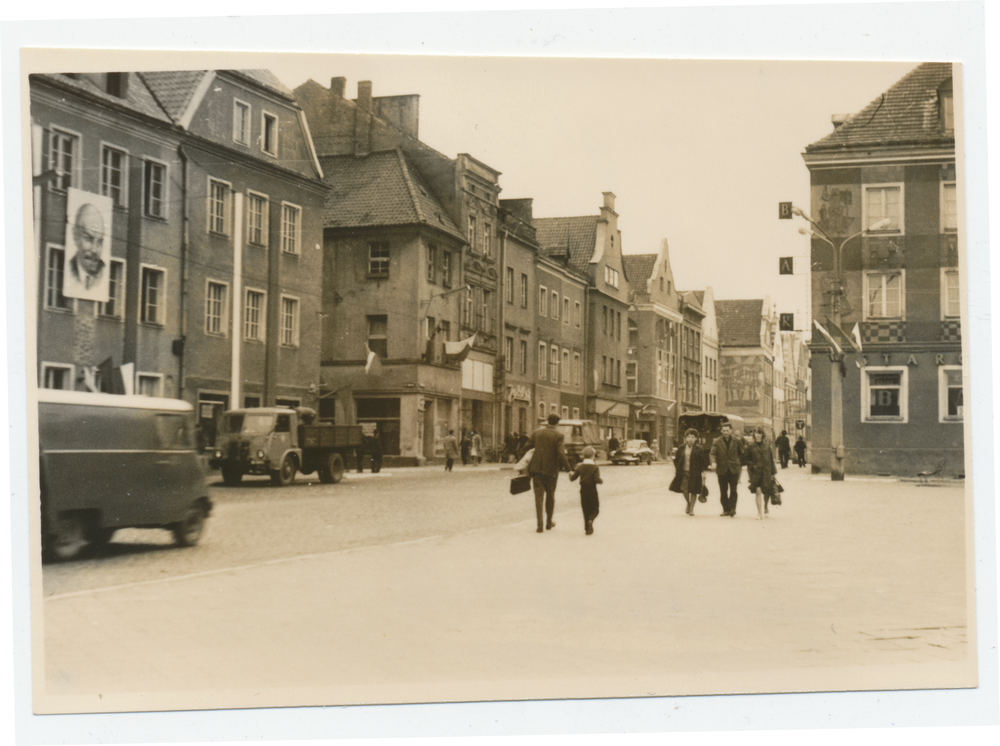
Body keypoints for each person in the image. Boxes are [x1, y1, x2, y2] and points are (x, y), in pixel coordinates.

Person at [525, 414, 572, 533]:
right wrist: (568, 469)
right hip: (551, 471)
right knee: (550, 496)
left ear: (547, 422)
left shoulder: (536, 433)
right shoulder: (559, 435)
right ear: (557, 423)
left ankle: (539, 525)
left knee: (538, 498)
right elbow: (561, 454)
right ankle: (549, 522)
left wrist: (526, 463)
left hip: (536, 470)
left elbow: (525, 448)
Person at [67, 202, 108, 297]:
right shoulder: (70, 269)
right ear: (75, 236)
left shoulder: (104, 271)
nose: (94, 250)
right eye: (88, 239)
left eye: (99, 242)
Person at [669, 428, 709, 516]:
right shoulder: (681, 448)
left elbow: (703, 462)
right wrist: (678, 468)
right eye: (688, 437)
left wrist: (703, 472)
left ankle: (691, 509)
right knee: (685, 489)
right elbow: (676, 459)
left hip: (695, 473)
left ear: (696, 439)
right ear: (685, 438)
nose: (690, 439)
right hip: (684, 472)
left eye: (692, 437)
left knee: (694, 490)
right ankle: (688, 502)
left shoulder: (699, 449)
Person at [709, 420, 744, 517]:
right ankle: (725, 510)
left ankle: (732, 509)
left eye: (727, 430)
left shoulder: (737, 441)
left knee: (733, 490)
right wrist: (713, 462)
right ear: (721, 431)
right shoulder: (717, 441)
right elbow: (712, 453)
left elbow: (742, 453)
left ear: (731, 431)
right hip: (722, 469)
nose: (725, 432)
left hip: (733, 469)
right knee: (723, 491)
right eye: (723, 430)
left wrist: (738, 461)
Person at [569, 446, 603, 535]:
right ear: (593, 456)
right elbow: (596, 479)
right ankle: (591, 520)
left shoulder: (580, 466)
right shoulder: (595, 467)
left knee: (585, 509)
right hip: (592, 490)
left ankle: (587, 529)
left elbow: (573, 478)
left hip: (583, 490)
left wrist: (570, 474)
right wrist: (601, 480)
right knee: (595, 508)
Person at [746, 426, 777, 519]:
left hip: (766, 471)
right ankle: (759, 512)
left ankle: (765, 507)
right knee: (758, 490)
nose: (758, 435)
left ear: (762, 435)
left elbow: (771, 459)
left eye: (760, 433)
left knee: (766, 491)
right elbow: (746, 459)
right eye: (756, 433)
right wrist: (753, 466)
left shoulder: (767, 445)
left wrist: (773, 473)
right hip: (756, 472)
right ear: (754, 435)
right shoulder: (750, 446)